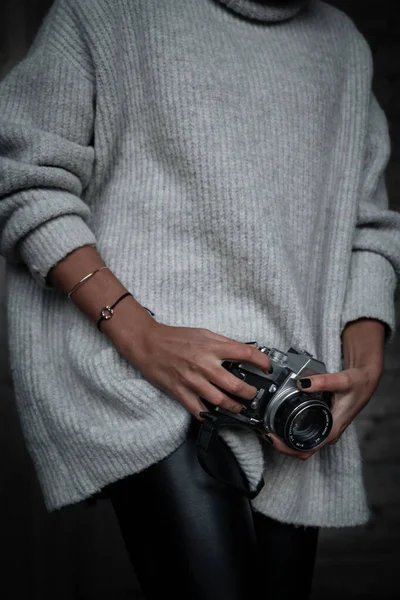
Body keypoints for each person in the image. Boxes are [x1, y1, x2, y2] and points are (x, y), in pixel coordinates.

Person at [1, 0, 399, 598]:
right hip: (149, 384)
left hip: (284, 408)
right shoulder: (106, 11)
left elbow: (367, 226)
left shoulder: (341, 43)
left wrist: (366, 366)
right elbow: (20, 172)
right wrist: (141, 334)